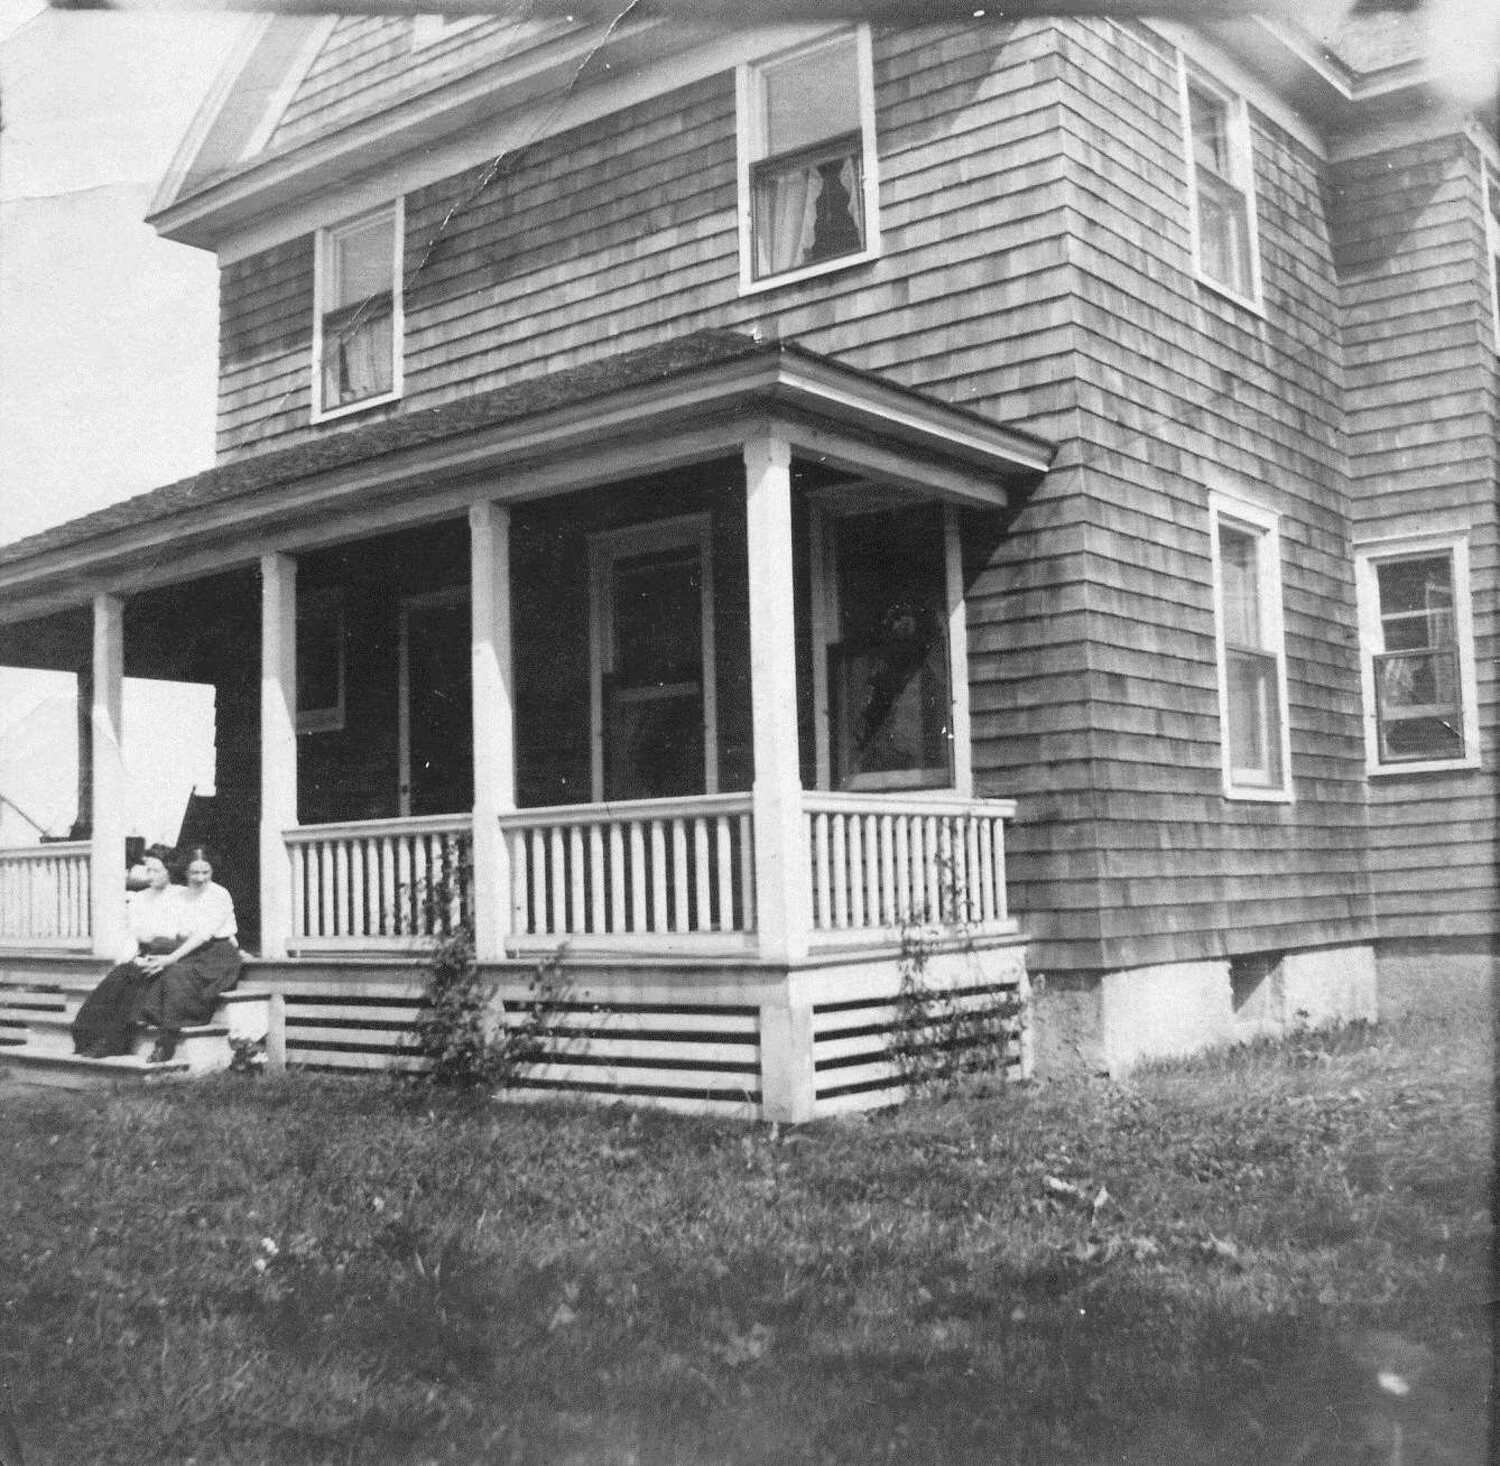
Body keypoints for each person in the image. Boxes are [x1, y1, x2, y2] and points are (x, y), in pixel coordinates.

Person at [70, 844, 183, 1058]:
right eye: (147, 870)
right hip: (142, 954)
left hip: (169, 956)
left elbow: (182, 933)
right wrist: (130, 957)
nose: (150, 875)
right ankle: (88, 1036)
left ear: (169, 870)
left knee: (136, 986)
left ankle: (113, 1042)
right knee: (117, 979)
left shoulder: (180, 896)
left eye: (156, 870)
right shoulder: (140, 898)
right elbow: (133, 934)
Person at [135, 846, 242, 1064]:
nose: (200, 878)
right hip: (192, 950)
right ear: (185, 872)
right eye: (195, 873)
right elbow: (178, 931)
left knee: (175, 974)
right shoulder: (182, 896)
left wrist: (170, 958)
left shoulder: (219, 894)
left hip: (218, 955)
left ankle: (166, 1041)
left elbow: (202, 935)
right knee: (146, 968)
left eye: (206, 872)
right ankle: (136, 1021)